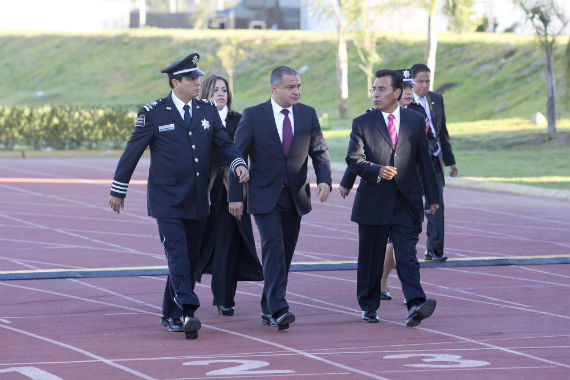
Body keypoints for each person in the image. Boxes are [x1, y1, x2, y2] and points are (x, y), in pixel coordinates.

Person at [108, 53, 250, 340]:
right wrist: (118, 189)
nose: (198, 82)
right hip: (167, 200)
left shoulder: (207, 110)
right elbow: (132, 152)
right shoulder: (154, 112)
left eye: (198, 77)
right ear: (175, 83)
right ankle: (187, 310)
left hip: (198, 198)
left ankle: (169, 312)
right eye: (191, 78)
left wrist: (237, 163)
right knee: (177, 254)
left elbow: (224, 144)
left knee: (190, 258)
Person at [228, 66, 332, 330]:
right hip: (264, 196)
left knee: (284, 254)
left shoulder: (307, 114)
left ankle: (267, 306)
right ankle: (279, 307)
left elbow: (319, 150)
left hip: (296, 196)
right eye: (290, 87)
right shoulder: (253, 115)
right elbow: (236, 156)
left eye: (298, 87)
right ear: (274, 88)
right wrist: (235, 196)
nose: (296, 91)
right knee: (273, 247)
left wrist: (324, 179)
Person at [346, 69, 440, 327]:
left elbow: (424, 161)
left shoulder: (413, 121)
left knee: (406, 254)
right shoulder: (362, 122)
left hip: (406, 201)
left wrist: (432, 196)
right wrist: (377, 170)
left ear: (397, 93)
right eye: (374, 89)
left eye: (381, 89)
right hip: (373, 201)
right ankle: (368, 305)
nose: (376, 94)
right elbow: (353, 159)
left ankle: (415, 304)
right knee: (371, 257)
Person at [194, 75, 263, 316]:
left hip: (233, 191)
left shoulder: (239, 120)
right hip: (205, 191)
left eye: (224, 90)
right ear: (204, 94)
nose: (221, 94)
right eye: (215, 90)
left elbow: (244, 154)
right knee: (196, 243)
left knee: (228, 244)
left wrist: (239, 194)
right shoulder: (196, 118)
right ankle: (184, 293)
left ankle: (224, 297)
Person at [411, 63, 458, 262]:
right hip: (413, 164)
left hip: (434, 161)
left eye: (427, 81)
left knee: (436, 205)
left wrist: (450, 161)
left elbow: (442, 131)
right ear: (411, 82)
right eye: (420, 81)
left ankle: (435, 250)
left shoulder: (436, 99)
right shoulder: (402, 101)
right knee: (411, 207)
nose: (424, 85)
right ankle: (403, 250)